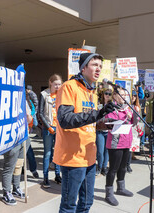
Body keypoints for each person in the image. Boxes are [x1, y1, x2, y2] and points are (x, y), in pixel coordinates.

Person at [53, 53, 118, 213]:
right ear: (83, 68)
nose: (99, 69)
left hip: (89, 157)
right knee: (69, 206)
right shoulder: (69, 87)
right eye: (94, 65)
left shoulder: (92, 92)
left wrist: (105, 125)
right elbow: (66, 120)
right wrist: (98, 113)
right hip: (73, 158)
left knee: (86, 203)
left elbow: (88, 122)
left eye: (100, 66)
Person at [105, 88, 134, 206]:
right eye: (121, 95)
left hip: (126, 140)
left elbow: (134, 122)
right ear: (115, 96)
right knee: (113, 168)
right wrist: (122, 117)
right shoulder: (111, 107)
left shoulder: (127, 107)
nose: (124, 97)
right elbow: (109, 121)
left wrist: (131, 115)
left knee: (123, 167)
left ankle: (120, 188)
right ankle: (109, 193)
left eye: (125, 95)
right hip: (115, 142)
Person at [1, 99, 32, 205]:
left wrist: (27, 113)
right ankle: (6, 192)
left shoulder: (23, 99)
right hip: (12, 138)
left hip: (24, 136)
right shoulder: (5, 100)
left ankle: (16, 187)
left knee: (19, 165)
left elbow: (29, 119)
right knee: (9, 166)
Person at [39, 74, 63, 188]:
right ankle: (45, 177)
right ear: (50, 83)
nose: (58, 86)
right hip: (48, 127)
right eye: (55, 84)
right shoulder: (44, 94)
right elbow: (40, 113)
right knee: (48, 153)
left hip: (59, 127)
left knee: (58, 152)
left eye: (59, 84)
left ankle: (57, 175)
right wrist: (48, 126)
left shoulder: (63, 95)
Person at [95, 85, 113, 176]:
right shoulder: (99, 104)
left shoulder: (112, 105)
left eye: (110, 94)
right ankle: (99, 166)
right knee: (100, 151)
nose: (108, 95)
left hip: (109, 131)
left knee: (107, 150)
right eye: (106, 93)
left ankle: (104, 167)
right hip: (100, 130)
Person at [126, 90, 142, 173]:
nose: (133, 97)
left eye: (135, 96)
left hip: (133, 129)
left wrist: (136, 112)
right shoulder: (125, 106)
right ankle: (124, 165)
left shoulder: (137, 107)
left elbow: (137, 121)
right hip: (125, 128)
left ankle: (128, 165)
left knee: (130, 148)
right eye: (132, 95)